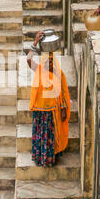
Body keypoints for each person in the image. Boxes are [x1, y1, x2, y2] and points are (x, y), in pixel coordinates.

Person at [26, 31, 70, 167]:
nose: (48, 63)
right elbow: (28, 60)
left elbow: (63, 92)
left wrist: (63, 108)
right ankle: (40, 158)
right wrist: (35, 42)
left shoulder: (59, 74)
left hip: (52, 113)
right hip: (40, 113)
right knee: (41, 137)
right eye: (46, 61)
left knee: (51, 137)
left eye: (51, 61)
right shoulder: (39, 71)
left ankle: (50, 158)